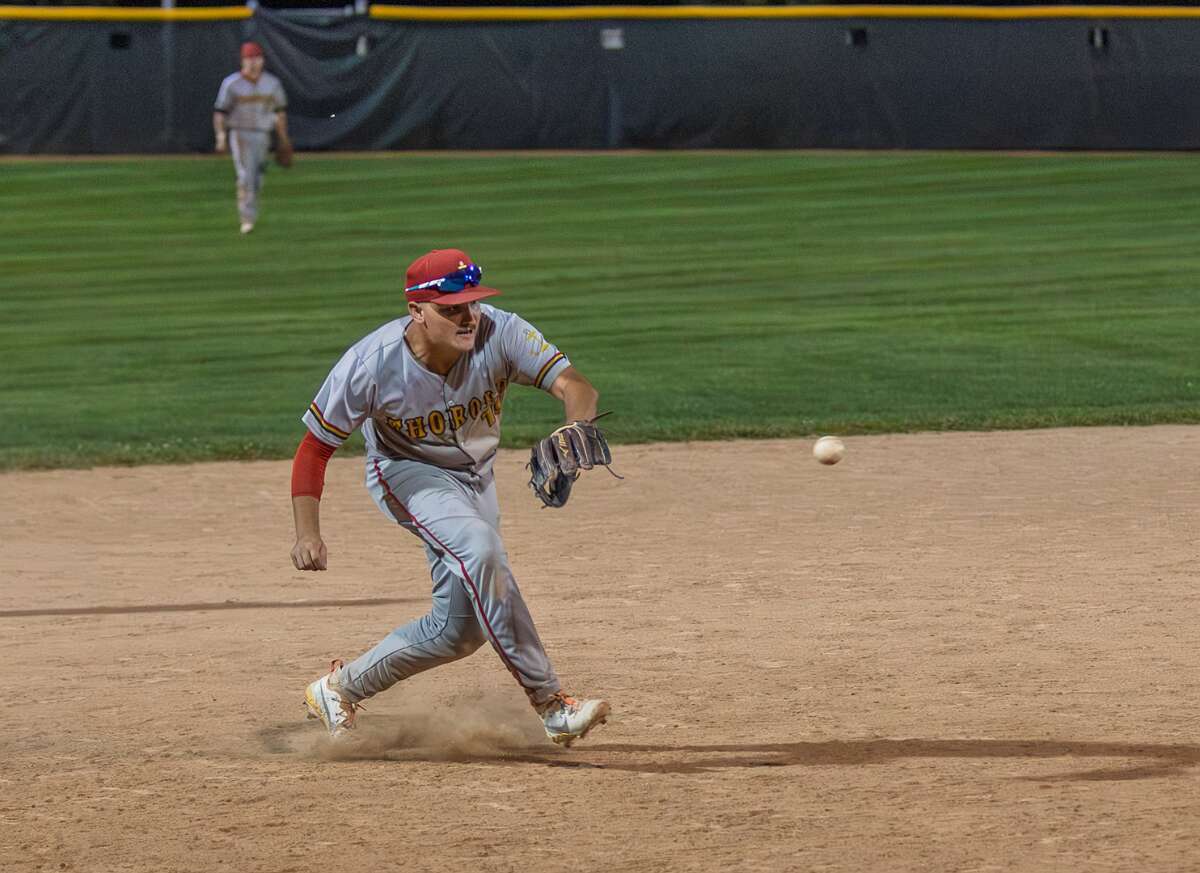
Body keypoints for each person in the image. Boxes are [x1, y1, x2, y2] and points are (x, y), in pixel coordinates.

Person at [292, 248, 612, 747]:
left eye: (472, 304)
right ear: (417, 311)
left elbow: (576, 386)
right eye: (451, 309)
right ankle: (551, 704)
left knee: (459, 631)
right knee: (483, 552)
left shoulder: (501, 331)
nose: (468, 317)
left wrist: (575, 425)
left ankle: (337, 689)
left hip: (475, 479)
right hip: (408, 474)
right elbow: (314, 448)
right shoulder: (371, 364)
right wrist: (307, 533)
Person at [212, 41, 290, 234]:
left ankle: (250, 213)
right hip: (240, 133)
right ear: (243, 61)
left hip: (263, 135)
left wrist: (283, 138)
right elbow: (220, 112)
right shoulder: (232, 83)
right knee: (245, 176)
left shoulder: (272, 83)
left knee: (257, 178)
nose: (254, 62)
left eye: (257, 58)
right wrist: (221, 136)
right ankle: (246, 219)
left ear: (263, 60)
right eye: (250, 59)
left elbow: (279, 112)